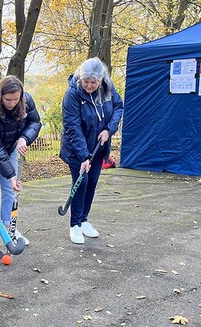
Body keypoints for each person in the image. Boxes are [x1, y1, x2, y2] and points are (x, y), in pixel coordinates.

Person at [0, 75, 42, 252]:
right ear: (0, 96)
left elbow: (35, 122)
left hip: (11, 147)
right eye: (7, 100)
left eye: (15, 99)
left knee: (10, 190)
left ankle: (9, 230)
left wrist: (24, 138)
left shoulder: (26, 101)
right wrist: (11, 175)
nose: (12, 103)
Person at [59, 57, 123, 244]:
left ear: (101, 80)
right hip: (77, 149)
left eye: (93, 82)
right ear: (81, 78)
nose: (89, 85)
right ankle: (75, 225)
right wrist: (83, 156)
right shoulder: (72, 94)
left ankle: (84, 220)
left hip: (98, 148)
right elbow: (72, 126)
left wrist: (108, 129)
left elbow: (119, 106)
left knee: (92, 182)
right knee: (81, 182)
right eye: (86, 81)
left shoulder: (107, 89)